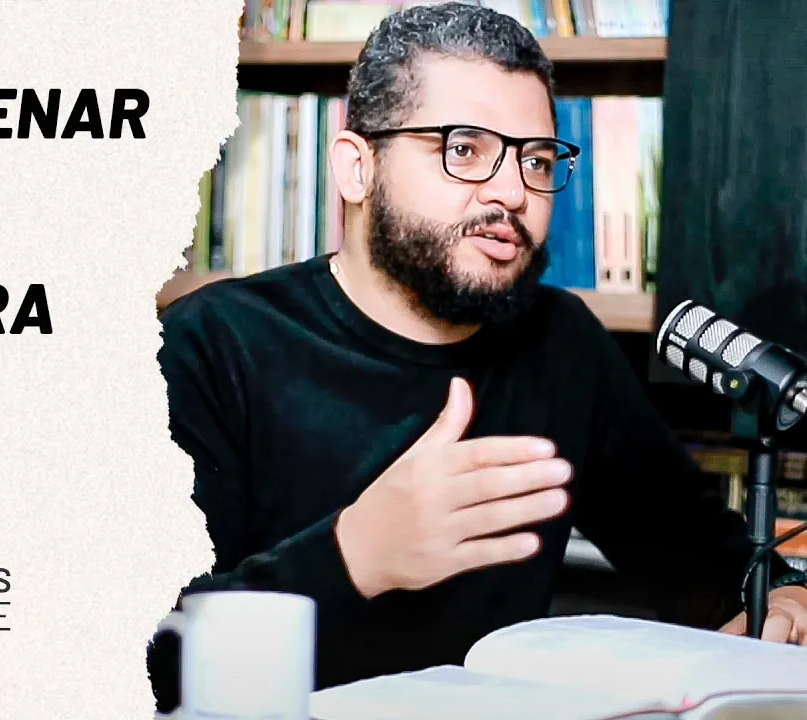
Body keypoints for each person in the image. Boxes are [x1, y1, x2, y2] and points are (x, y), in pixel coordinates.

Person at [147, 1, 807, 712]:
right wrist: (355, 556)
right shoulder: (208, 346)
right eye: (463, 149)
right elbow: (127, 656)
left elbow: (710, 568)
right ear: (356, 168)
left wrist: (789, 598)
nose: (512, 192)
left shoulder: (563, 343)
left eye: (537, 160)